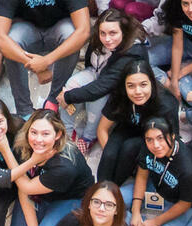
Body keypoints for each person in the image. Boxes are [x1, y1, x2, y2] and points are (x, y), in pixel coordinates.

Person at [0, 110, 95, 226]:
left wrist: (5, 150)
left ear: (58, 135)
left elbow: (26, 185)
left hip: (69, 199)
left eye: (45, 133)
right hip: (36, 193)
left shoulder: (65, 166)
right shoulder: (25, 145)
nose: (38, 140)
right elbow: (24, 187)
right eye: (33, 132)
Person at [56, 10, 146, 153]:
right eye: (102, 33)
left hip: (119, 91)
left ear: (123, 31)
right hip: (97, 73)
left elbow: (104, 86)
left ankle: (88, 137)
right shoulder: (99, 38)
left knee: (96, 97)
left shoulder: (133, 51)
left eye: (113, 33)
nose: (107, 39)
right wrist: (70, 93)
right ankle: (66, 129)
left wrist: (68, 97)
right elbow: (90, 64)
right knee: (72, 84)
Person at [122, 118, 192, 226]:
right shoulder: (148, 147)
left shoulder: (189, 168)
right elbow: (142, 176)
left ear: (172, 136)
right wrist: (136, 211)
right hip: (154, 188)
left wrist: (155, 222)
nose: (156, 145)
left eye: (160, 138)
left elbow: (185, 204)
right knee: (115, 199)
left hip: (177, 203)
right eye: (150, 139)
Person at [95, 58, 180, 185]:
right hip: (127, 128)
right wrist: (112, 156)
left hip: (151, 138)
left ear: (151, 82)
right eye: (131, 86)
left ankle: (113, 190)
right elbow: (102, 129)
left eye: (143, 85)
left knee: (129, 148)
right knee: (109, 155)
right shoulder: (120, 94)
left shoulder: (166, 104)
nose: (138, 92)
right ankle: (99, 191)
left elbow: (172, 142)